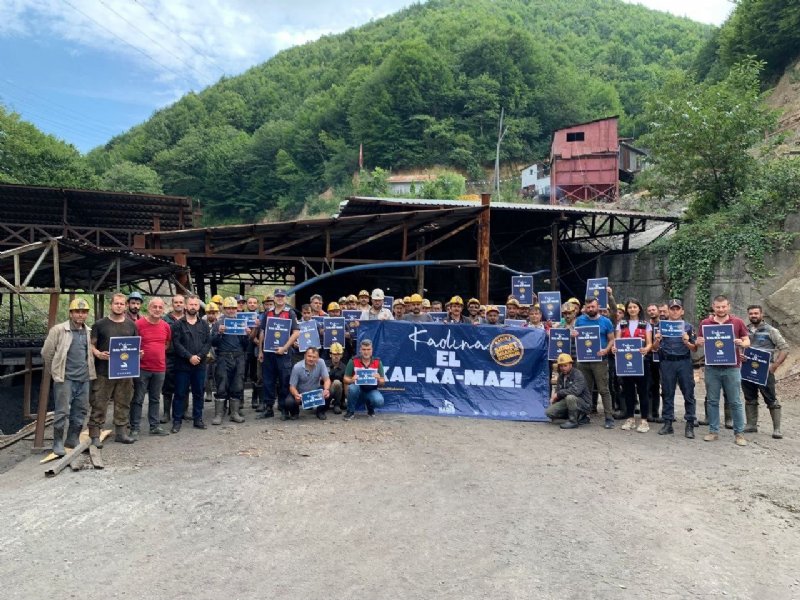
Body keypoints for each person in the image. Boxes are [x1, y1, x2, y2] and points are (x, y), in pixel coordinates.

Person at [41, 298, 96, 456]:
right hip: (66, 379)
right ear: (71, 313)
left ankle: (72, 438)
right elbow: (47, 353)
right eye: (77, 312)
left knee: (80, 410)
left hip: (84, 379)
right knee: (62, 412)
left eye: (84, 312)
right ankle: (57, 442)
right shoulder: (59, 330)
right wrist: (56, 371)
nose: (81, 315)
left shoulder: (88, 331)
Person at [695, 295, 749, 446]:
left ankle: (739, 433)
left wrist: (742, 342)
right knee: (712, 400)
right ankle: (713, 431)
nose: (721, 309)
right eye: (718, 307)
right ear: (713, 307)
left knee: (736, 401)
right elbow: (698, 341)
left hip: (732, 368)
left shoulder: (737, 322)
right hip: (712, 368)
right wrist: (698, 342)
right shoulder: (705, 323)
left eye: (724, 306)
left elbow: (747, 340)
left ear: (728, 306)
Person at [88, 292, 137, 447]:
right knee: (99, 402)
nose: (119, 306)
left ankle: (121, 433)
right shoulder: (100, 324)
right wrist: (98, 354)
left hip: (125, 371)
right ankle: (95, 434)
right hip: (104, 371)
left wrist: (138, 353)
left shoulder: (131, 325)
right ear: (111, 305)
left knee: (123, 401)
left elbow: (135, 345)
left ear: (126, 306)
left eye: (122, 304)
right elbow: (91, 345)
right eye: (116, 303)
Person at [652, 299, 697, 438]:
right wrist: (657, 340)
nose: (675, 311)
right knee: (667, 393)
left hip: (684, 362)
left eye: (678, 309)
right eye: (672, 308)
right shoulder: (661, 326)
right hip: (667, 363)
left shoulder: (688, 327)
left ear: (682, 311)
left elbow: (694, 349)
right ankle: (668, 423)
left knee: (688, 393)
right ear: (668, 310)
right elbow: (654, 348)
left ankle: (690, 423)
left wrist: (687, 341)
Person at [742, 305, 789, 439]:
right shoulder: (745, 330)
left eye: (756, 313)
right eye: (751, 314)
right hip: (747, 369)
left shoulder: (771, 331)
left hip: (765, 371)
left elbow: (785, 348)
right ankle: (751, 425)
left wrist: (775, 365)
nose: (753, 316)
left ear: (762, 314)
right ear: (748, 315)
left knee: (771, 398)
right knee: (749, 398)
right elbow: (739, 347)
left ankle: (777, 429)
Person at [130, 297, 171, 438]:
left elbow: (166, 344)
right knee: (138, 398)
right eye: (155, 307)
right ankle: (134, 428)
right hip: (142, 368)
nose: (157, 309)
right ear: (148, 308)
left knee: (155, 398)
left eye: (160, 307)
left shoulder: (166, 326)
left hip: (159, 368)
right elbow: (132, 344)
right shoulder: (138, 324)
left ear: (163, 309)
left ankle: (154, 426)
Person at [170, 295, 212, 432]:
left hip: (199, 365)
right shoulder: (178, 324)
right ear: (186, 306)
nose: (193, 307)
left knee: (198, 392)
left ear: (198, 307)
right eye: (190, 304)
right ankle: (177, 421)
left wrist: (198, 356)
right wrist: (189, 357)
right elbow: (176, 343)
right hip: (182, 365)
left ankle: (198, 419)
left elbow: (208, 343)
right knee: (180, 393)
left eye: (195, 305)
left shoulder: (204, 324)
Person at [258, 289, 301, 419]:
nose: (280, 298)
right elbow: (262, 332)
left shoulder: (290, 313)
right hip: (269, 353)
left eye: (282, 296)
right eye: (277, 296)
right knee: (268, 381)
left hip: (284, 354)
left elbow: (296, 333)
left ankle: (283, 408)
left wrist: (284, 347)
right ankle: (268, 408)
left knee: (284, 381)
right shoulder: (268, 313)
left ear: (286, 298)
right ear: (274, 298)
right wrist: (260, 350)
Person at [574, 297, 616, 429]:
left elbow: (611, 340)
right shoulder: (580, 320)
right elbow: (574, 335)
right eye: (588, 307)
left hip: (600, 360)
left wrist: (606, 350)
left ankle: (609, 417)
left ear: (598, 306)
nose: (590, 309)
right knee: (585, 389)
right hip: (583, 360)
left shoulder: (606, 321)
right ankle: (585, 415)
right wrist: (573, 334)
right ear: (585, 308)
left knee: (604, 389)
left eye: (593, 306)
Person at [614, 299, 653, 433]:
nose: (632, 309)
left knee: (643, 391)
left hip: (641, 362)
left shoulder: (645, 324)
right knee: (628, 391)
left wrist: (646, 349)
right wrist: (615, 349)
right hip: (626, 363)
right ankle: (630, 418)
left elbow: (649, 343)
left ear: (639, 309)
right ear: (627, 310)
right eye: (630, 307)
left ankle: (644, 420)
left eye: (635, 307)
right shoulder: (621, 324)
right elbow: (617, 342)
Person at [210, 297, 250, 425]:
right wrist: (219, 333)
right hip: (223, 357)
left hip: (239, 357)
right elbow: (212, 342)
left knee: (237, 385)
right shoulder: (218, 323)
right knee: (221, 385)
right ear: (224, 308)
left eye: (233, 308)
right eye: (228, 308)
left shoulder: (241, 322)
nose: (231, 310)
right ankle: (219, 415)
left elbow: (245, 345)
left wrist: (246, 335)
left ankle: (234, 413)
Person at [343, 339, 386, 420]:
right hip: (357, 390)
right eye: (364, 349)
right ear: (360, 350)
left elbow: (383, 381)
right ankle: (350, 411)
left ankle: (369, 406)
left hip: (370, 391)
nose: (366, 352)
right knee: (352, 388)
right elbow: (345, 379)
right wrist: (352, 380)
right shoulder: (353, 361)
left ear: (372, 350)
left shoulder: (378, 362)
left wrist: (379, 379)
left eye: (368, 349)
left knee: (379, 401)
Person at [546, 354, 591, 429]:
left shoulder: (578, 374)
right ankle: (579, 418)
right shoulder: (561, 376)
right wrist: (555, 399)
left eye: (565, 365)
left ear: (571, 365)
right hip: (567, 401)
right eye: (561, 366)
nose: (563, 368)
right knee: (549, 412)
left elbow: (576, 391)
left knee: (570, 397)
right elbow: (558, 390)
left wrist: (558, 394)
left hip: (583, 403)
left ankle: (573, 421)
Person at [286, 347, 331, 420]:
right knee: (289, 402)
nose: (311, 359)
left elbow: (327, 380)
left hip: (316, 394)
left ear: (318, 358)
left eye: (314, 357)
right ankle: (295, 413)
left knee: (328, 392)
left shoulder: (321, 362)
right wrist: (296, 394)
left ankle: (320, 412)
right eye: (309, 356)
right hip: (301, 394)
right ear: (305, 356)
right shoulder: (297, 367)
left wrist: (326, 389)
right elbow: (292, 386)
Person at [160, 294, 185, 424]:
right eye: (176, 302)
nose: (178, 304)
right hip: (170, 355)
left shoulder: (190, 319)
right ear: (172, 304)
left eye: (181, 302)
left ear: (184, 304)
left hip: (185, 357)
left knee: (184, 385)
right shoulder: (165, 320)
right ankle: (166, 413)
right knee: (168, 385)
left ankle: (183, 411)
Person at [202, 301, 219, 401]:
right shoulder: (202, 323)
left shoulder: (220, 323)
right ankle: (208, 393)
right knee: (207, 375)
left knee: (217, 374)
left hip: (217, 352)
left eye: (213, 313)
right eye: (209, 313)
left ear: (217, 313)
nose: (211, 315)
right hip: (206, 353)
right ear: (206, 313)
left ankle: (218, 393)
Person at [326, 342, 347, 414]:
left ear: (341, 355)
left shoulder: (345, 367)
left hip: (339, 392)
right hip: (326, 390)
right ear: (330, 354)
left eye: (338, 354)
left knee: (337, 383)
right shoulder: (324, 364)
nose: (336, 356)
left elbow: (345, 385)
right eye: (334, 354)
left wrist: (343, 399)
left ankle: (337, 404)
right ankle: (325, 403)